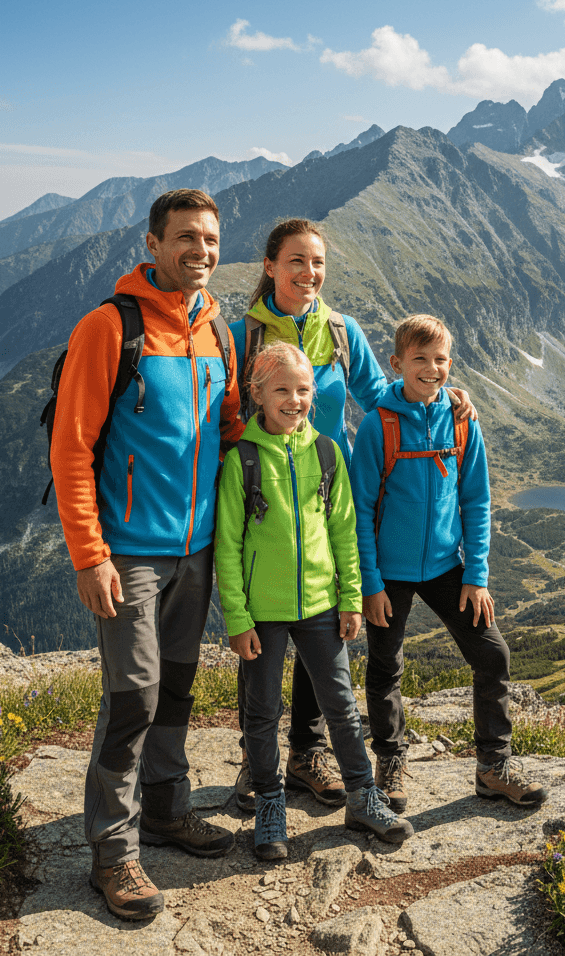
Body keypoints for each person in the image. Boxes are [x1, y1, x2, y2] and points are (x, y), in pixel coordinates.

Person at [229, 218, 475, 812]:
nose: (308, 273)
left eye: (316, 262)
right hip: (258, 492)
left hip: (319, 493)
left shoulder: (342, 333)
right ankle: (254, 765)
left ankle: (306, 755)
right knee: (261, 639)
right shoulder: (240, 336)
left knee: (316, 626)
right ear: (270, 267)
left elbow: (382, 394)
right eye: (296, 261)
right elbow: (220, 410)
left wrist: (446, 399)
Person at [50, 189, 242, 920]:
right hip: (128, 552)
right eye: (187, 238)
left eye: (211, 240)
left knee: (180, 689)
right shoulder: (109, 327)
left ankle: (166, 810)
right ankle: (114, 852)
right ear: (155, 244)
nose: (201, 251)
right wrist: (88, 555)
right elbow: (70, 447)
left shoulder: (217, 334)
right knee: (131, 698)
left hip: (196, 552)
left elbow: (228, 432)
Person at [214, 342, 413, 857]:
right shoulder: (243, 459)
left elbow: (344, 530)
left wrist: (351, 598)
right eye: (282, 389)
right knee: (261, 713)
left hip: (323, 605)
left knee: (342, 709)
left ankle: (363, 796)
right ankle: (270, 804)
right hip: (263, 612)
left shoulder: (326, 452)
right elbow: (227, 549)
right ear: (256, 394)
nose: (295, 399)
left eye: (303, 390)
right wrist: (238, 617)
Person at [350, 314, 549, 812]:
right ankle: (390, 760)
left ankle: (493, 765)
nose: (431, 368)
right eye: (419, 359)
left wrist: (477, 575)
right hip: (389, 573)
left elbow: (476, 501)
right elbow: (360, 509)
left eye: (440, 360)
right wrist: (370, 583)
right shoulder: (379, 425)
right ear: (396, 364)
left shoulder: (462, 421)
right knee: (384, 666)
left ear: (450, 365)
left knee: (492, 655)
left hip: (446, 567)